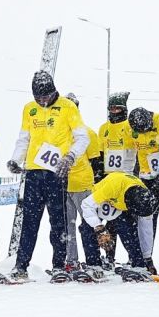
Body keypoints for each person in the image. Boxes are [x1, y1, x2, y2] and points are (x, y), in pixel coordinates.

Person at [5, 71, 89, 281]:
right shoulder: (29, 109)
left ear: (54, 91)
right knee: (29, 221)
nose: (42, 101)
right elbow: (24, 138)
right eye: (38, 97)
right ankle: (20, 266)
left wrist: (69, 157)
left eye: (46, 97)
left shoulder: (68, 107)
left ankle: (59, 266)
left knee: (58, 221)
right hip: (34, 172)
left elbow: (82, 138)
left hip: (57, 173)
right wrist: (16, 160)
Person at [59, 92, 105, 280]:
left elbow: (96, 162)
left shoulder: (87, 132)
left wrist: (97, 186)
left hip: (83, 185)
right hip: (63, 186)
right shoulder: (58, 134)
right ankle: (71, 260)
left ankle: (93, 261)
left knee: (87, 225)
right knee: (66, 226)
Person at [79, 173, 159, 281]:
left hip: (120, 202)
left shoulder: (146, 198)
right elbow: (86, 205)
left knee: (129, 231)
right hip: (103, 199)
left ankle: (139, 264)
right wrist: (99, 228)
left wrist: (147, 258)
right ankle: (93, 264)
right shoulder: (112, 187)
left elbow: (146, 230)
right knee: (86, 228)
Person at [96, 91, 137, 264]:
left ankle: (133, 258)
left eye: (117, 108)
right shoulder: (103, 128)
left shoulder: (130, 126)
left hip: (126, 181)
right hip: (107, 179)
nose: (114, 111)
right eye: (111, 108)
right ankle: (109, 257)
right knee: (109, 220)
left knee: (126, 222)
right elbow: (100, 153)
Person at [128, 106, 159, 273]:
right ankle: (143, 256)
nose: (141, 133)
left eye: (145, 130)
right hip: (144, 176)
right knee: (145, 218)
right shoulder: (131, 130)